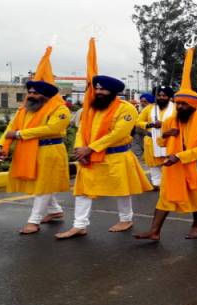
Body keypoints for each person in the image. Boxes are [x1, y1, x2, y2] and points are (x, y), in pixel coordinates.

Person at [53, 76, 152, 238]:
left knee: (122, 190)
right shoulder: (90, 108)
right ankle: (79, 225)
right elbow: (81, 130)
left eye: (102, 89)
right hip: (90, 157)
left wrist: (90, 148)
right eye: (96, 89)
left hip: (116, 156)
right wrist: (79, 149)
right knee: (83, 191)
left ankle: (126, 219)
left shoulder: (126, 109)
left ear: (112, 92)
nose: (98, 92)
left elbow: (118, 133)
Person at [133, 88, 197, 241]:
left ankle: (196, 226)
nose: (179, 107)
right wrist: (165, 135)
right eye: (177, 103)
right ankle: (154, 231)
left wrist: (179, 156)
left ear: (193, 105)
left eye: (184, 104)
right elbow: (161, 143)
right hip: (174, 166)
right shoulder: (171, 121)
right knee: (164, 197)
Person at [0, 81, 70, 234]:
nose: (31, 95)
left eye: (36, 93)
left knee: (43, 185)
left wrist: (20, 134)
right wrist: (1, 145)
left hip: (50, 151)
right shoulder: (23, 109)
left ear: (46, 96)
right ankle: (55, 210)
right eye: (30, 92)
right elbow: (11, 128)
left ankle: (34, 221)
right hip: (28, 150)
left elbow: (53, 128)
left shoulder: (60, 109)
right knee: (42, 184)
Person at [136, 86, 175, 188]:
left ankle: (170, 184)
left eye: (164, 95)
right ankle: (156, 183)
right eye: (159, 95)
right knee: (153, 164)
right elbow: (138, 121)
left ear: (169, 97)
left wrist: (165, 125)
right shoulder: (149, 108)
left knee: (169, 163)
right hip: (151, 140)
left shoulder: (175, 108)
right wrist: (150, 125)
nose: (161, 97)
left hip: (170, 140)